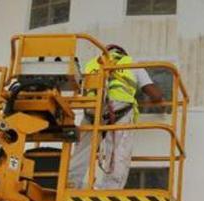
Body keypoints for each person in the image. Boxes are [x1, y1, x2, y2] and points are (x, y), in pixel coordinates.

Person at [67, 44, 165, 190]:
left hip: (92, 111)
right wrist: (155, 101)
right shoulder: (132, 64)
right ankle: (110, 188)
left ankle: (71, 183)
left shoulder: (92, 64)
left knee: (83, 149)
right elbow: (156, 95)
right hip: (120, 111)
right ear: (123, 54)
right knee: (118, 152)